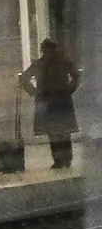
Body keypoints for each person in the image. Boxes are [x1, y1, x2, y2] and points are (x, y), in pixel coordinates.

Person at [29, 35, 79, 170]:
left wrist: (34, 91)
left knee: (60, 131)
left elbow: (76, 77)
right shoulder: (54, 63)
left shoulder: (60, 62)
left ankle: (63, 160)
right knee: (58, 131)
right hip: (55, 99)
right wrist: (34, 91)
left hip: (56, 100)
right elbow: (24, 78)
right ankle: (61, 160)